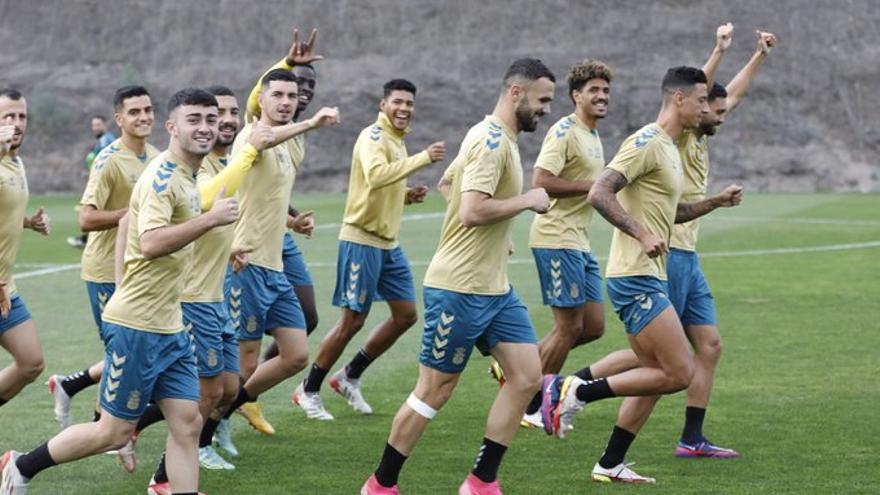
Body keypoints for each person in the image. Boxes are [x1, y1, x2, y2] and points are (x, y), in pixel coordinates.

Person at [1, 87, 239, 495]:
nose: (205, 128)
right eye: (194, 120)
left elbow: (129, 223)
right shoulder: (164, 177)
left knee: (187, 421)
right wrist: (211, 220)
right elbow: (149, 241)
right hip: (138, 327)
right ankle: (20, 467)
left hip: (170, 325)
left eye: (210, 119)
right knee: (113, 433)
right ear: (172, 127)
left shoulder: (190, 174)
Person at [361, 58, 554, 495]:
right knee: (435, 390)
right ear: (516, 93)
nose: (545, 109)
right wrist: (524, 202)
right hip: (459, 289)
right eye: (543, 100)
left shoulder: (491, 134)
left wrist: (498, 228)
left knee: (526, 377)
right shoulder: (491, 142)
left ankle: (482, 481)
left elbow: (450, 185)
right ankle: (380, 485)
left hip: (495, 289)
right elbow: (470, 210)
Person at [543, 66, 743, 484]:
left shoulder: (670, 148)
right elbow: (600, 191)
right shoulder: (647, 141)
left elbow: (674, 213)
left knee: (651, 373)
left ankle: (610, 462)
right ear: (679, 100)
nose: (706, 109)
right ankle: (574, 390)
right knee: (678, 372)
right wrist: (640, 230)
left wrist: (714, 203)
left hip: (650, 273)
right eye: (702, 100)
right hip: (634, 275)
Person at [293, 78, 446, 420]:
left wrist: (406, 195)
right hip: (361, 239)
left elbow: (380, 186)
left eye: (409, 103)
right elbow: (376, 176)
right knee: (352, 320)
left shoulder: (396, 140)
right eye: (398, 102)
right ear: (383, 105)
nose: (404, 108)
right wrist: (423, 158)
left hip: (387, 243)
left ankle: (348, 375)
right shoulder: (374, 136)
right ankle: (309, 388)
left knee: (406, 315)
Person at [669, 26, 777, 458]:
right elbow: (698, 93)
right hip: (667, 251)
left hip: (688, 254)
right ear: (697, 110)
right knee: (660, 363)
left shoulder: (705, 131)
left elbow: (731, 95)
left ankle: (691, 439)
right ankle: (573, 388)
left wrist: (758, 56)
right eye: (714, 110)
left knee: (709, 347)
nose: (722, 115)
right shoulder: (679, 133)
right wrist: (717, 51)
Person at [49, 86, 159, 436]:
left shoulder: (157, 156)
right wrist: (132, 213)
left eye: (148, 110)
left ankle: (71, 387)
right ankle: (105, 430)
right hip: (104, 269)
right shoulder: (108, 158)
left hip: (140, 269)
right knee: (122, 351)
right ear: (119, 119)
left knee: (137, 350)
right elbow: (85, 218)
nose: (143, 117)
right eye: (134, 112)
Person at [0, 88, 50, 411]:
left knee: (31, 362)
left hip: (6, 287)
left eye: (21, 117)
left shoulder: (16, 162)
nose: (16, 123)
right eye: (8, 116)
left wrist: (29, 222)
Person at [69, 115, 117, 249]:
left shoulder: (106, 141)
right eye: (93, 125)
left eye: (98, 125)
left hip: (103, 183)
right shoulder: (103, 140)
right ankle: (87, 239)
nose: (95, 128)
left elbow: (105, 162)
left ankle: (87, 240)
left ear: (105, 125)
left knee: (93, 211)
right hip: (99, 181)